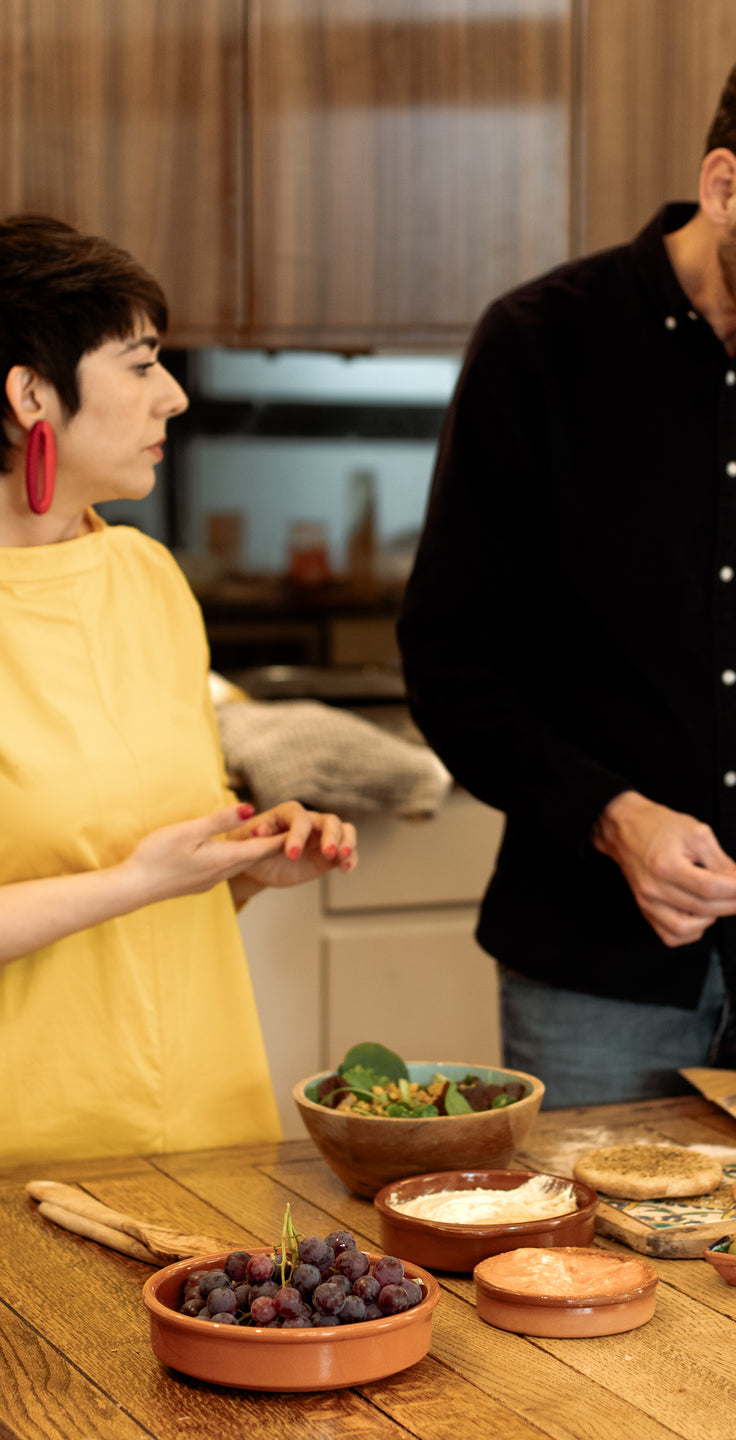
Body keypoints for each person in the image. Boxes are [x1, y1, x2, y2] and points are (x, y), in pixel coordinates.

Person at [397, 31, 736, 1107]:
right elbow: (450, 664)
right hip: (591, 975)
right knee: (585, 1270)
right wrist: (614, 818)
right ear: (725, 184)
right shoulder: (537, 348)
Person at [0, 215, 357, 1165]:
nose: (174, 395)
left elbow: (154, 861)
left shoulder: (148, 578)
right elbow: (127, 876)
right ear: (32, 393)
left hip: (210, 1129)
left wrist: (240, 869)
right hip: (31, 1151)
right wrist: (137, 881)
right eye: (140, 362)